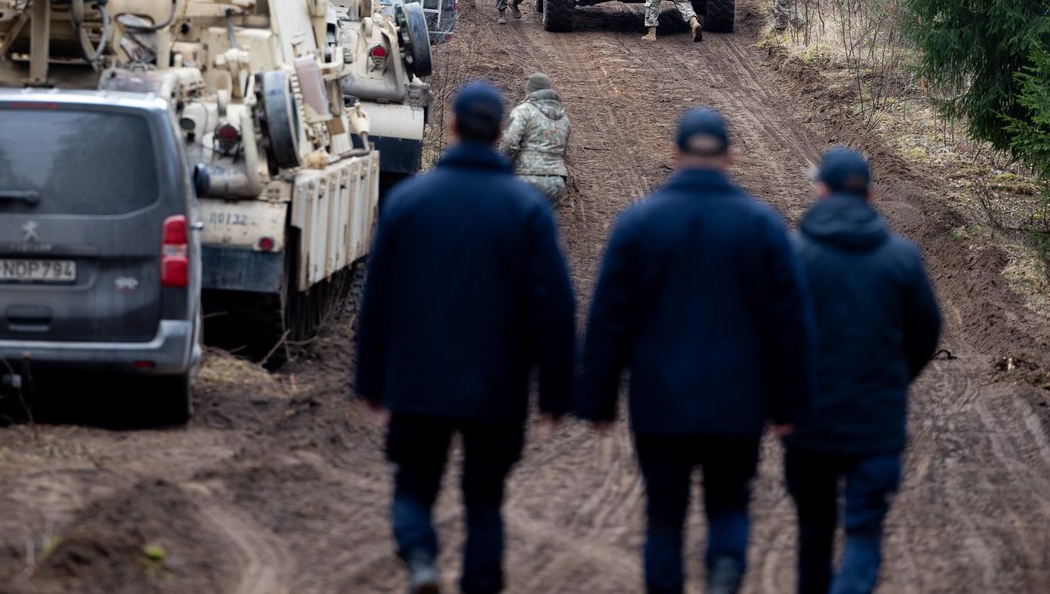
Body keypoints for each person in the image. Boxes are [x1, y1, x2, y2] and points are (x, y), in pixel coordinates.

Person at [578, 108, 815, 594]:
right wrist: (789, 405)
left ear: (674, 155)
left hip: (660, 406)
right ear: (730, 157)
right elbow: (789, 323)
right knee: (729, 505)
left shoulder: (639, 224)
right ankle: (724, 577)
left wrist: (598, 401)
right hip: (738, 405)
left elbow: (609, 321)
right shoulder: (763, 226)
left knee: (664, 515)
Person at [356, 81, 577, 594]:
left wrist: (370, 380)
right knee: (484, 499)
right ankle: (480, 581)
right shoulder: (528, 213)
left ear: (451, 127)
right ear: (501, 130)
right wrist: (557, 393)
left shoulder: (409, 202)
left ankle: (420, 559)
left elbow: (378, 299)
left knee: (413, 485)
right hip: (496, 387)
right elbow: (555, 307)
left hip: (417, 381)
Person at [784, 147, 942, 594]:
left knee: (813, 534)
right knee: (863, 532)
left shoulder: (794, 255)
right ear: (870, 196)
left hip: (809, 423)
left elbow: (775, 334)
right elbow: (927, 333)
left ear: (820, 190)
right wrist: (896, 377)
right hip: (876, 424)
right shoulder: (902, 259)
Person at [499, 72, 570, 208]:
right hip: (556, 182)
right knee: (539, 222)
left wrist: (502, 169)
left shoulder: (523, 111)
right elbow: (563, 151)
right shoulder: (564, 118)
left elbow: (509, 143)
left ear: (530, 91)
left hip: (526, 177)